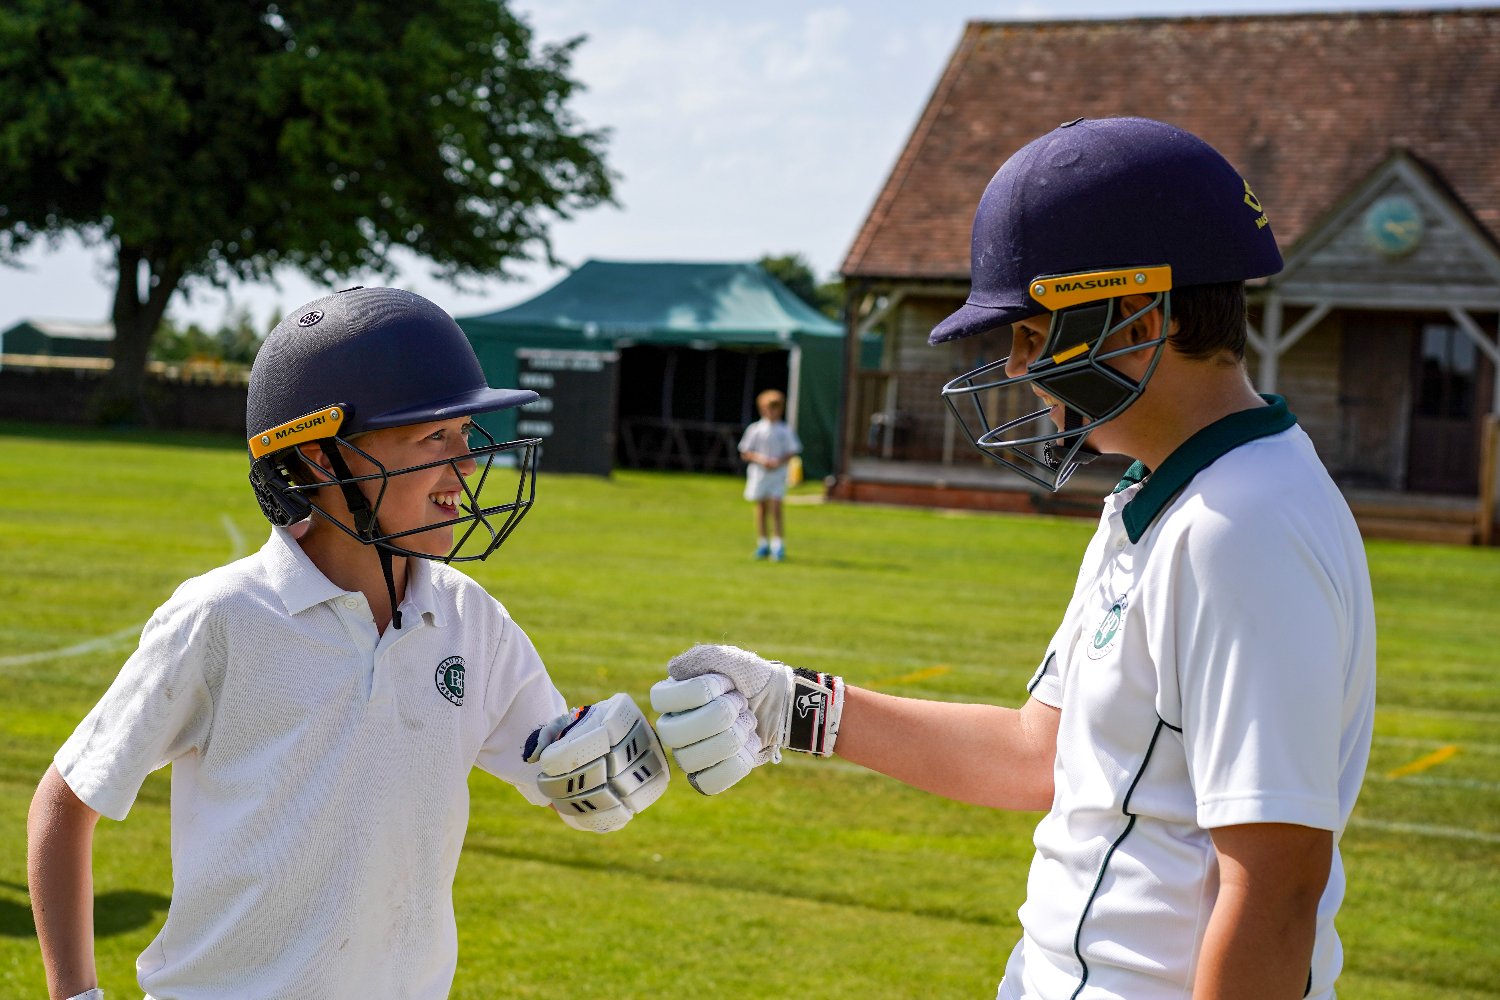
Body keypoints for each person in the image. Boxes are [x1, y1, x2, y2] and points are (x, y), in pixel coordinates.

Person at [650, 118, 1376, 999]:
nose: (1021, 369)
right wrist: (795, 705)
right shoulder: (1160, 495)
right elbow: (1043, 752)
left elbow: (1278, 887)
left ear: (1141, 316)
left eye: (1034, 335)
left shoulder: (1242, 525)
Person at [26, 287, 668, 1000]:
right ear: (323, 457)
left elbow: (575, 776)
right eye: (434, 438)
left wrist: (723, 714)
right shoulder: (223, 617)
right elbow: (67, 802)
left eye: (464, 433)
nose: (467, 465)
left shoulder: (470, 620)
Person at [738, 388, 802, 561]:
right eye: (768, 408)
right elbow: (745, 451)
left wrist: (778, 462)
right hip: (759, 473)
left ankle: (778, 545)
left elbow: (793, 450)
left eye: (775, 408)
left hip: (778, 474)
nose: (771, 412)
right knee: (761, 508)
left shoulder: (784, 430)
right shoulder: (755, 429)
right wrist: (761, 460)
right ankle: (763, 544)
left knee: (776, 507)